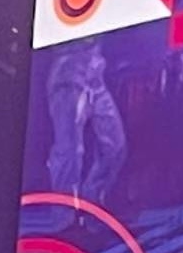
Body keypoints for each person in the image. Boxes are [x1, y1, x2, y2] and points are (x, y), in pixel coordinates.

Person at [41, 36, 126, 204]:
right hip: (68, 75)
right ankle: (64, 213)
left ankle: (92, 203)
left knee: (116, 145)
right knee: (69, 151)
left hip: (95, 74)